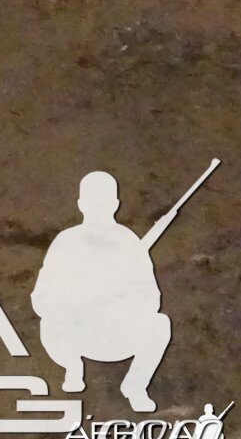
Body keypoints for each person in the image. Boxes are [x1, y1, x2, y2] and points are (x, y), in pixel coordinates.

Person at [33, 169, 177, 410]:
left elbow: (152, 298)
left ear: (115, 204)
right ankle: (73, 368)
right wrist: (76, 302)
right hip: (76, 335)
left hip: (117, 333)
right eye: (92, 202)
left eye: (104, 202)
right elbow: (41, 298)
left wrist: (120, 301)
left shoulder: (129, 242)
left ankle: (135, 386)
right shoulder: (66, 242)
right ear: (81, 204)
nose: (97, 207)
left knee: (160, 324)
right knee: (51, 322)